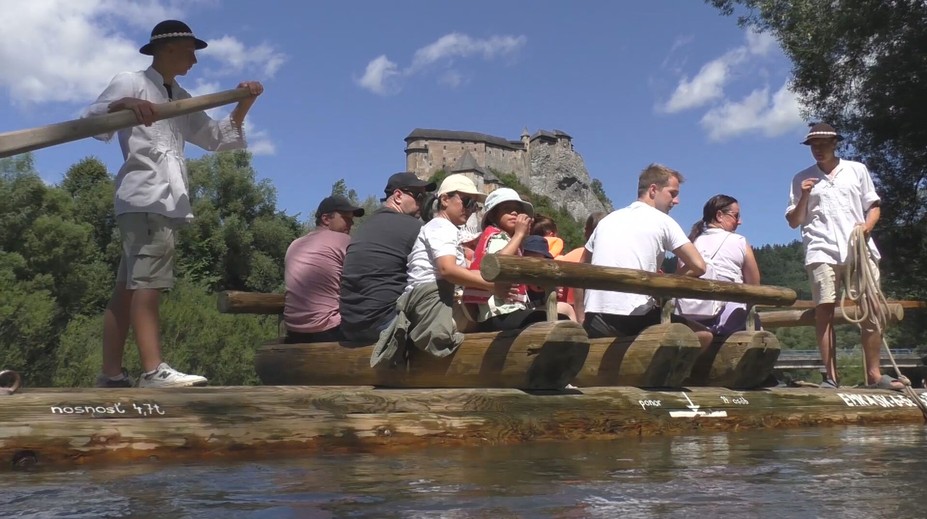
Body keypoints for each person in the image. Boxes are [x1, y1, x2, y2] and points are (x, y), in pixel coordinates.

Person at [87, 20, 264, 388]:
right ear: (168, 49)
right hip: (147, 195)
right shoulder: (131, 81)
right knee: (148, 284)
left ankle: (111, 374)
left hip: (159, 200)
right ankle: (153, 371)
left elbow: (216, 138)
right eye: (189, 52)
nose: (194, 61)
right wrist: (125, 103)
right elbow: (93, 119)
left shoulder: (181, 97)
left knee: (127, 289)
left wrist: (244, 103)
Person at [785, 123, 900, 390]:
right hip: (821, 248)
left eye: (823, 143)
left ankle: (874, 375)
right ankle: (831, 377)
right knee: (824, 309)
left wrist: (867, 227)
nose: (818, 149)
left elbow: (873, 206)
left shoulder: (856, 169)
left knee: (872, 307)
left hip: (859, 247)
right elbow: (793, 221)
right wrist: (804, 195)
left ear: (835, 143)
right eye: (813, 145)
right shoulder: (801, 177)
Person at [371, 175, 510, 367]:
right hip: (433, 308)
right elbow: (447, 269)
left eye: (474, 205)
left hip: (431, 305)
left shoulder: (442, 228)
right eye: (467, 202)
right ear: (445, 200)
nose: (471, 209)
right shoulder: (441, 226)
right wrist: (492, 286)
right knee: (497, 324)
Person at [580, 164, 713, 350]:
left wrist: (580, 316)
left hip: (595, 319)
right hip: (634, 318)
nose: (676, 201)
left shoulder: (607, 220)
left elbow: (582, 266)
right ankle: (671, 370)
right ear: (653, 190)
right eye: (672, 193)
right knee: (703, 335)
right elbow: (699, 265)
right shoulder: (663, 221)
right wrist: (666, 283)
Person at [339, 172, 436, 342]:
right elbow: (443, 268)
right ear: (398, 196)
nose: (422, 202)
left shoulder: (365, 226)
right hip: (384, 324)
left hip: (350, 326)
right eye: (419, 196)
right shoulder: (414, 228)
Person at [462, 187, 555, 330]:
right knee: (554, 322)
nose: (514, 213)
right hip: (498, 313)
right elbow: (498, 262)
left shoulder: (509, 240)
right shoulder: (496, 236)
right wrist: (519, 234)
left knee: (554, 320)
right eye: (507, 209)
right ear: (493, 216)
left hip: (506, 312)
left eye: (518, 210)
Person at [675, 195, 761, 336]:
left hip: (689, 319)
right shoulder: (739, 241)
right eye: (736, 216)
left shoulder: (689, 245)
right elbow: (755, 286)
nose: (739, 222)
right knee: (757, 328)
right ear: (719, 215)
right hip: (727, 321)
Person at [283, 196, 365, 343]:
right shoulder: (343, 240)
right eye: (346, 218)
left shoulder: (295, 245)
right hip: (328, 330)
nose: (351, 223)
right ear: (326, 219)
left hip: (293, 331)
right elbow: (365, 278)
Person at [521, 235, 578, 321]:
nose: (533, 263)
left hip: (542, 312)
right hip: (523, 313)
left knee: (567, 308)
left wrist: (553, 291)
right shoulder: (520, 278)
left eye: (537, 259)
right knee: (566, 308)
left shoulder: (549, 277)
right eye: (529, 258)